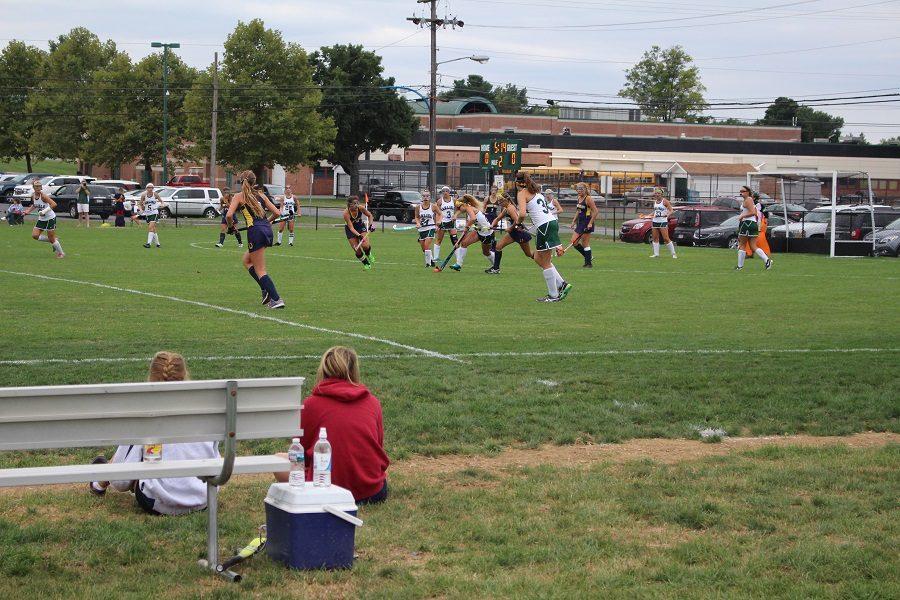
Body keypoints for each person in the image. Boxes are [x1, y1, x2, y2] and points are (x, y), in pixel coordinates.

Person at [88, 352, 220, 515]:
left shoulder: (145, 412)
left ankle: (99, 482)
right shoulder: (206, 408)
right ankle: (102, 476)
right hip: (204, 498)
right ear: (185, 376)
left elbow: (121, 481)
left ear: (151, 379)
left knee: (137, 450)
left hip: (158, 502)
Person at [275, 347, 389, 504]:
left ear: (323, 369)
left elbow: (300, 453)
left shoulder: (311, 404)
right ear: (354, 370)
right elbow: (378, 446)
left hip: (324, 489)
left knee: (278, 460)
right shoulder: (373, 402)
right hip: (372, 491)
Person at [226, 170, 285, 308]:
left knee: (260, 269)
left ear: (242, 182)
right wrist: (267, 222)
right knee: (246, 260)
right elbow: (277, 213)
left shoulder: (239, 196)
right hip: (266, 229)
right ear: (254, 181)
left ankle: (276, 299)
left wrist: (230, 228)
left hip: (255, 231)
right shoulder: (260, 195)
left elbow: (229, 215)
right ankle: (266, 290)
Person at [516, 173, 571, 302]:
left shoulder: (522, 193)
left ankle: (553, 295)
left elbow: (522, 213)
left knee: (545, 262)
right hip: (550, 223)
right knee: (537, 258)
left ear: (517, 182)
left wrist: (518, 223)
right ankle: (562, 284)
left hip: (544, 226)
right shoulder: (536, 192)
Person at [486, 191, 533, 274]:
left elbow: (517, 221)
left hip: (519, 232)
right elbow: (497, 219)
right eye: (499, 201)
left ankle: (543, 259)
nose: (499, 203)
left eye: (501, 201)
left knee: (529, 254)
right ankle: (496, 269)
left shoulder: (511, 208)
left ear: (506, 200)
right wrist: (491, 225)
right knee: (498, 247)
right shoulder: (506, 208)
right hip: (513, 233)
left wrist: (510, 228)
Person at [449, 194, 494, 271]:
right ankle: (458, 264)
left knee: (486, 253)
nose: (458, 209)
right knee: (464, 243)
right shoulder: (467, 209)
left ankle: (495, 265)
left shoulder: (469, 208)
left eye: (459, 207)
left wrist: (466, 227)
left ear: (464, 205)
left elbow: (473, 219)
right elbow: (467, 225)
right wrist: (458, 241)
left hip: (487, 233)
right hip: (479, 231)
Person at [22, 180, 64, 258]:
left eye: (39, 186)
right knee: (35, 235)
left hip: (50, 218)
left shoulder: (43, 196)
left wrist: (44, 211)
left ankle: (61, 253)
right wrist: (27, 211)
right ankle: (54, 240)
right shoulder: (33, 195)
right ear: (33, 188)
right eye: (36, 186)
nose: (38, 188)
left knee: (51, 238)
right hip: (41, 219)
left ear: (41, 187)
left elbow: (54, 204)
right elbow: (35, 205)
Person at [735, 186, 773, 271]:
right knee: (753, 246)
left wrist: (742, 216)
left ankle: (739, 267)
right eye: (740, 191)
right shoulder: (749, 200)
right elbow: (754, 212)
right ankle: (767, 260)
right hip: (753, 224)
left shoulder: (748, 199)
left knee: (742, 245)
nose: (741, 193)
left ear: (748, 192)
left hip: (747, 224)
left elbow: (752, 212)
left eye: (743, 191)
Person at [568, 183, 598, 268]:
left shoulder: (588, 199)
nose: (579, 191)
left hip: (587, 222)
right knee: (574, 242)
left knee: (585, 243)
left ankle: (588, 263)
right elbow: (578, 210)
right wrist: (574, 221)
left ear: (585, 190)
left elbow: (595, 211)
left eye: (581, 189)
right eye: (578, 189)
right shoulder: (579, 198)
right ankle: (589, 257)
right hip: (580, 223)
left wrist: (590, 223)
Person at [342, 196, 375, 270]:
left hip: (360, 226)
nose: (357, 205)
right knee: (358, 251)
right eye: (355, 203)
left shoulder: (361, 208)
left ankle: (368, 254)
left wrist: (371, 225)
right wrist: (359, 235)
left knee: (365, 246)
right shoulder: (346, 213)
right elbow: (351, 228)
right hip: (350, 230)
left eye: (357, 203)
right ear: (350, 205)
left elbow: (370, 215)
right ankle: (366, 264)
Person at [414, 190, 441, 267]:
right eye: (424, 196)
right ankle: (431, 260)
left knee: (426, 245)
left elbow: (440, 214)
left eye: (427, 196)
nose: (425, 197)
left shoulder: (433, 206)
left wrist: (438, 223)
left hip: (430, 228)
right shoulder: (418, 207)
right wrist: (418, 223)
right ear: (421, 197)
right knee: (424, 248)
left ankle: (428, 264)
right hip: (422, 229)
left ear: (430, 197)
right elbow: (416, 217)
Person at [433, 186, 459, 265]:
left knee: (455, 240)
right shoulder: (439, 201)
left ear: (449, 192)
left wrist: (455, 215)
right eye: (443, 191)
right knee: (439, 240)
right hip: (443, 222)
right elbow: (437, 213)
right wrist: (437, 223)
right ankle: (436, 258)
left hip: (451, 223)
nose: (445, 192)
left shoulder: (454, 200)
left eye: (446, 191)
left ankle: (458, 258)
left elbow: (459, 209)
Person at [649, 190, 677, 259]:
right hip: (655, 221)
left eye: (658, 193)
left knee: (666, 238)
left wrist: (667, 215)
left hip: (662, 222)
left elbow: (671, 210)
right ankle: (656, 254)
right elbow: (656, 211)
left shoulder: (665, 201)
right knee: (655, 238)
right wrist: (648, 215)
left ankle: (673, 254)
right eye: (656, 193)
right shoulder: (655, 202)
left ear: (661, 194)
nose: (657, 194)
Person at [138, 183, 167, 248]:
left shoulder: (155, 194)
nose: (150, 189)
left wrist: (162, 204)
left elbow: (161, 201)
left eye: (151, 187)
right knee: (153, 229)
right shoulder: (143, 195)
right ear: (146, 188)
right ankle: (158, 244)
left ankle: (148, 244)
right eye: (149, 187)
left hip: (154, 213)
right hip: (147, 214)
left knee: (150, 228)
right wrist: (141, 209)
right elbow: (139, 204)